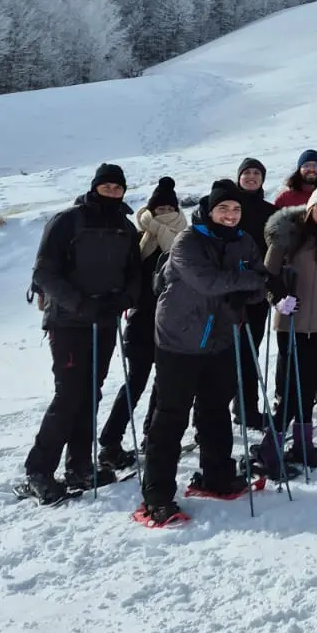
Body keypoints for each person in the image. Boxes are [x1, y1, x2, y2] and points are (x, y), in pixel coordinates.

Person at [136, 179, 268, 526]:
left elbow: (257, 284)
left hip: (220, 339)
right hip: (179, 341)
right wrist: (251, 282)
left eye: (236, 209)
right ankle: (156, 496)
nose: (230, 214)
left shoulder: (244, 241)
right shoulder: (188, 240)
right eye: (223, 208)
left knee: (215, 411)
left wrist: (254, 287)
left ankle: (216, 476)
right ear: (210, 210)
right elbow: (209, 282)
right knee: (170, 417)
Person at [19, 163, 143, 505]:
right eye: (107, 186)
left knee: (91, 393)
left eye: (119, 187)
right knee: (69, 395)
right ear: (95, 187)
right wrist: (80, 305)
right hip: (68, 321)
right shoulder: (67, 221)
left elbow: (135, 272)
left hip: (104, 320)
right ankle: (39, 471)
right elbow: (44, 272)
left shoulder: (124, 226)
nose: (113, 192)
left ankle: (79, 466)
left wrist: (124, 299)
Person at [97, 176, 187, 471]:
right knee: (135, 383)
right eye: (157, 208)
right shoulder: (138, 239)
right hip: (141, 319)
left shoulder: (187, 241)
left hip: (173, 322)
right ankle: (110, 442)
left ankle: (153, 435)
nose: (163, 213)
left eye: (168, 208)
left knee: (165, 383)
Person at [261, 184, 317, 469]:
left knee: (310, 387)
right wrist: (277, 300)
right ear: (310, 206)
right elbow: (267, 275)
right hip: (292, 325)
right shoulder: (288, 237)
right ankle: (269, 448)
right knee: (290, 390)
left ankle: (303, 445)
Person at [230, 158, 277, 429]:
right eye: (246, 172)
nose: (251, 176)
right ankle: (207, 417)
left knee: (250, 350)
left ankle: (247, 408)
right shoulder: (226, 208)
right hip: (226, 292)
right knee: (222, 354)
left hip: (257, 291)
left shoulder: (270, 212)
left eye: (256, 173)